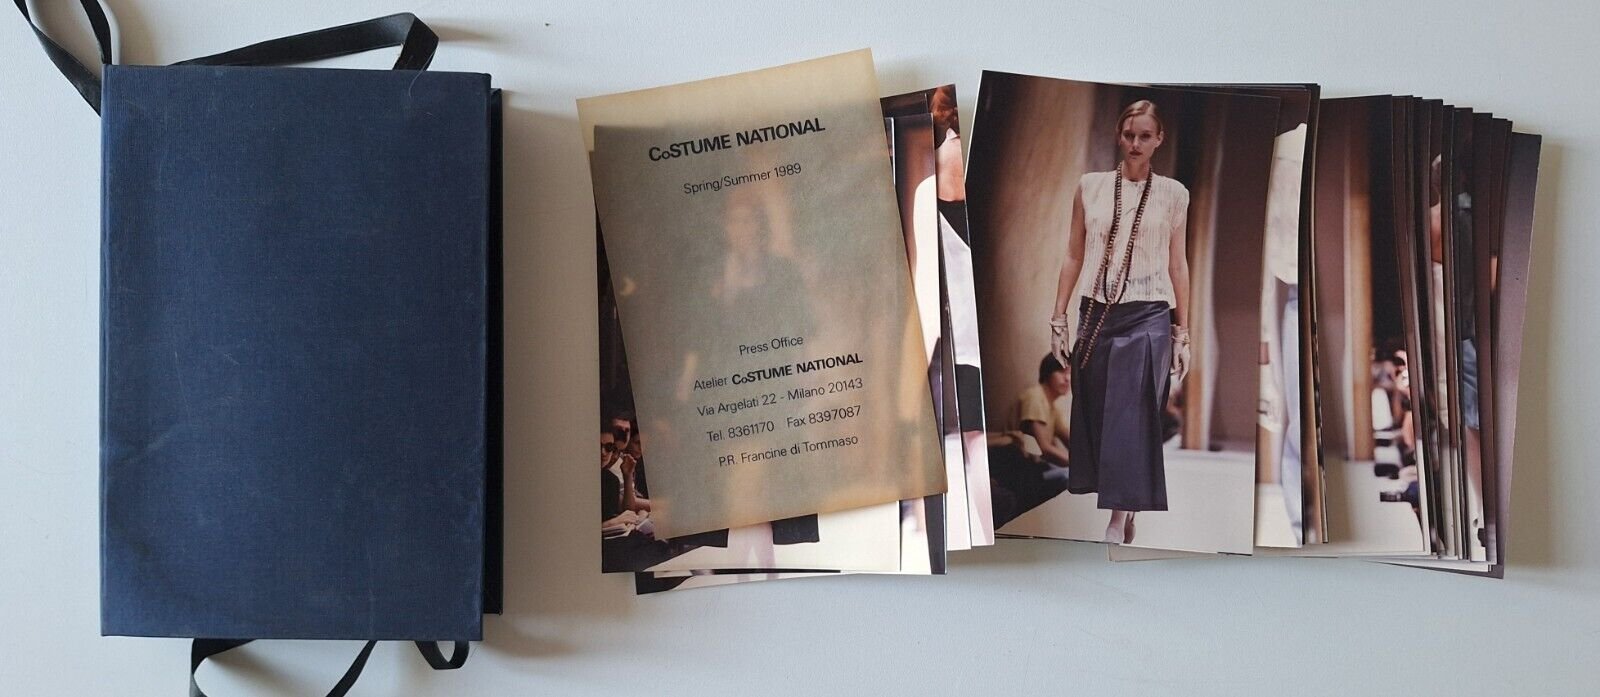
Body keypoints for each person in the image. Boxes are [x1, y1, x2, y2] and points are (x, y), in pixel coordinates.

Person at [1048, 99, 1191, 544]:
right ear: (1118, 135)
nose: (1135, 144)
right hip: (1096, 313)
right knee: (1098, 412)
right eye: (1129, 135)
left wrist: (1182, 333)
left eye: (1145, 136)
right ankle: (1126, 505)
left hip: (1149, 315)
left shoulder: (1174, 194)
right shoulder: (1089, 187)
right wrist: (1059, 318)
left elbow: (1178, 264)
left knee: (1131, 414)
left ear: (1159, 139)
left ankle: (1116, 515)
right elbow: (1073, 255)